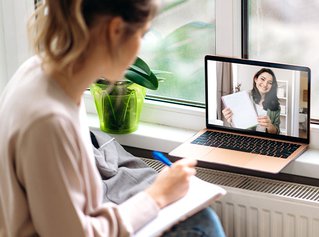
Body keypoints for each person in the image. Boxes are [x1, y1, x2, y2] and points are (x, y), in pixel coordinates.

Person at [0, 0, 225, 236]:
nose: (140, 49)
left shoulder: (41, 72)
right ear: (115, 30)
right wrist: (157, 196)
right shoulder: (48, 121)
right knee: (202, 227)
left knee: (201, 220)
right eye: (142, 34)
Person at [222, 68, 280, 134]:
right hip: (245, 139)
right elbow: (236, 128)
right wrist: (231, 121)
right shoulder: (243, 97)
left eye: (270, 83)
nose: (265, 84)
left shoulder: (275, 104)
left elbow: (276, 132)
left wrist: (269, 126)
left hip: (265, 141)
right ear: (256, 79)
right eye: (262, 79)